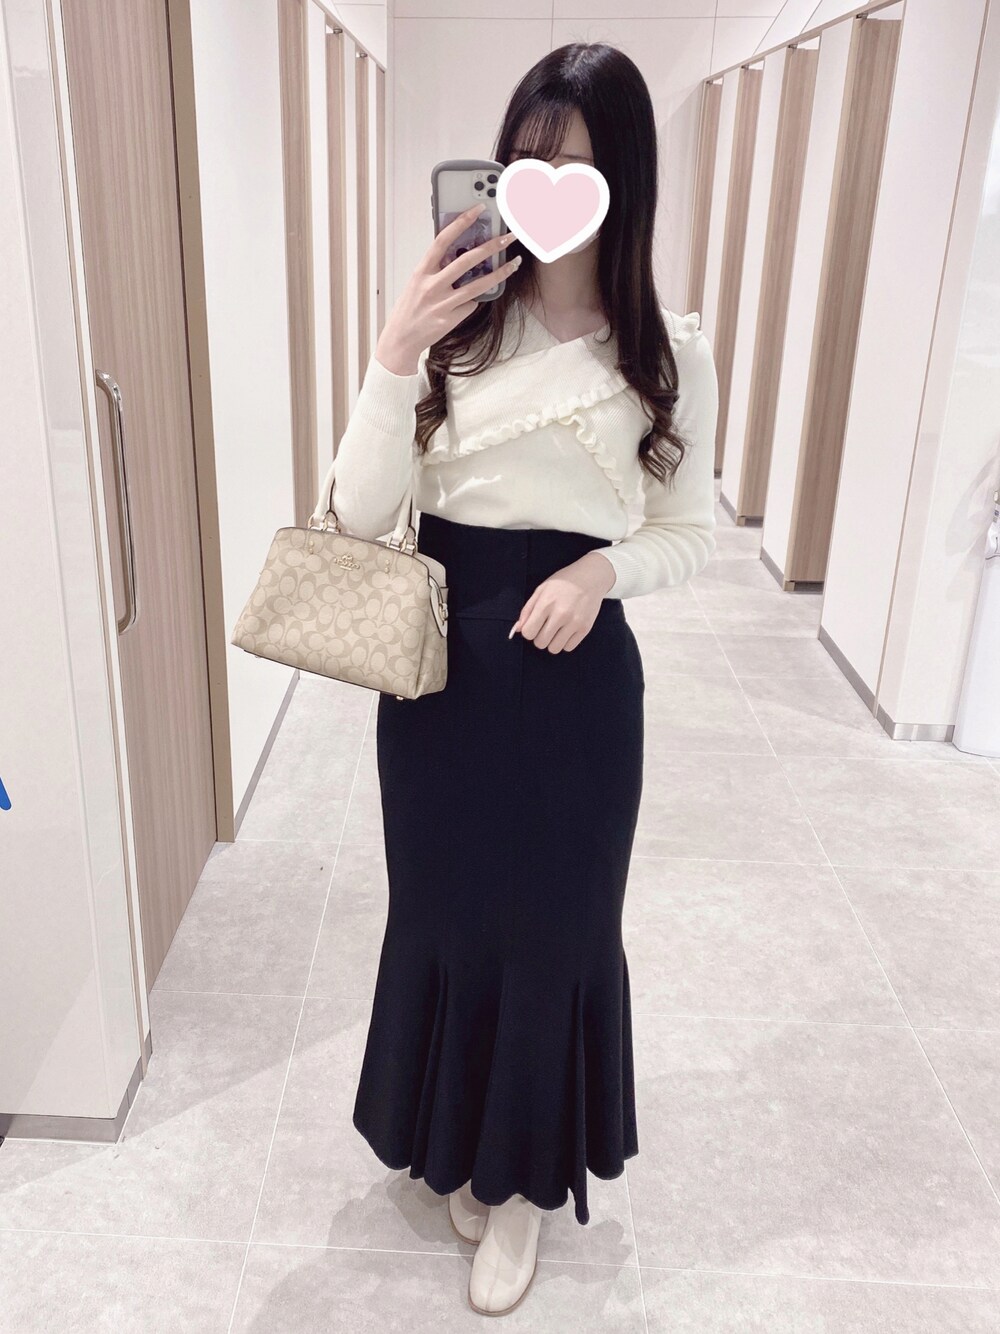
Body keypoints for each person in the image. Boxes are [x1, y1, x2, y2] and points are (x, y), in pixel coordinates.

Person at [331, 42, 718, 1318]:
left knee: (558, 932)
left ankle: (522, 1194)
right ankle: (459, 1145)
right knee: (446, 918)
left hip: (575, 689)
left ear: (627, 183)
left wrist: (602, 570)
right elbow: (359, 508)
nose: (549, 190)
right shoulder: (456, 324)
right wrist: (395, 349)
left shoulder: (668, 351)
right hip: (438, 678)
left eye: (579, 169)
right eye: (529, 163)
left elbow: (690, 535)